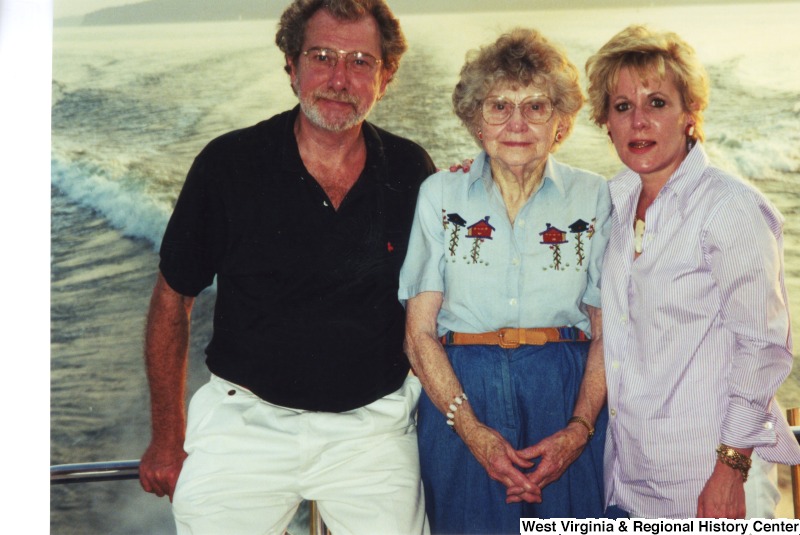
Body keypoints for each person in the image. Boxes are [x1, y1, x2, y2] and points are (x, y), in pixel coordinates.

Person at [137, 1, 436, 533]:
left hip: (372, 430)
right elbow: (172, 298)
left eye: (361, 62)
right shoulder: (228, 165)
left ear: (385, 78)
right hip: (244, 422)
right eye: (321, 57)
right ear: (292, 67)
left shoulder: (412, 170)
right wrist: (166, 436)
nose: (339, 79)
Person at [400, 28, 615, 533]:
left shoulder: (595, 196)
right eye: (499, 106)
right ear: (476, 121)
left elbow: (609, 331)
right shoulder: (440, 194)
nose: (517, 123)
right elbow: (418, 334)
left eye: (536, 107)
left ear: (561, 123)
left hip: (565, 391)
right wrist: (473, 433)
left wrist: (579, 431)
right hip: (461, 395)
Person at [585, 24, 800, 519]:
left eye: (657, 102)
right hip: (628, 484)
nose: (639, 121)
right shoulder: (613, 205)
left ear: (689, 114)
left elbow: (762, 349)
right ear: (606, 121)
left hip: (708, 486)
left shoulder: (732, 208)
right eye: (622, 107)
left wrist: (730, 470)